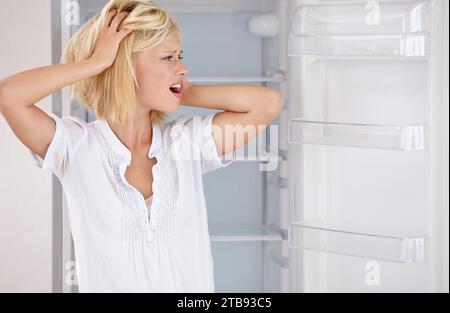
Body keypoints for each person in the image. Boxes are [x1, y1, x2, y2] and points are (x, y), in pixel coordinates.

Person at [0, 0, 283, 293]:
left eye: (180, 57)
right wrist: (95, 64)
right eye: (168, 58)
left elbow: (267, 104)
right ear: (126, 66)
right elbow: (9, 96)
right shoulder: (75, 148)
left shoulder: (185, 143)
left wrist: (180, 90)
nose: (182, 67)